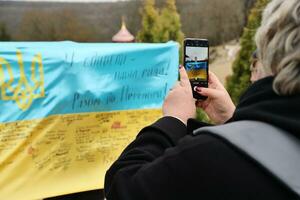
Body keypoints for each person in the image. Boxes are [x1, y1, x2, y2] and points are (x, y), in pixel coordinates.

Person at [104, 0, 300, 199]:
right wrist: (233, 120)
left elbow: (121, 187)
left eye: (256, 60)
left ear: (274, 57)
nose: (251, 75)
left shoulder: (207, 155)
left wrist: (173, 121)